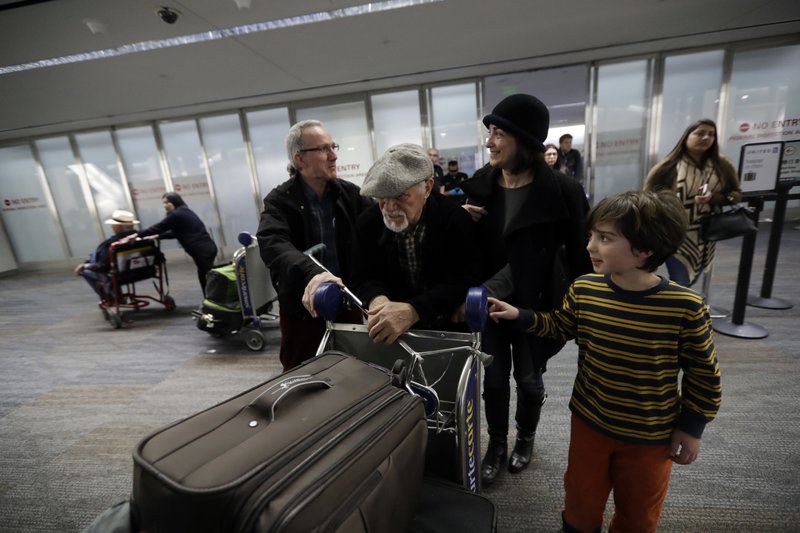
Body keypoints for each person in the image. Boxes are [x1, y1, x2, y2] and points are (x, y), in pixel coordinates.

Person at [487, 190, 722, 533]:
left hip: (649, 435)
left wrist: (692, 426)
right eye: (591, 236)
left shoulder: (684, 306)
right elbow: (560, 325)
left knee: (638, 514)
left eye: (605, 238)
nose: (590, 247)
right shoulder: (585, 289)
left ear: (644, 249)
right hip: (590, 422)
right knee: (580, 503)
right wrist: (520, 315)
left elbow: (704, 373)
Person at [459, 94, 592, 485]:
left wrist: (585, 315)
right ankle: (497, 444)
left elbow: (581, 261)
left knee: (530, 381)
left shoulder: (563, 192)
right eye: (489, 133)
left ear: (523, 138)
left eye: (498, 133)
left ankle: (526, 439)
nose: (489, 142)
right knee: (495, 381)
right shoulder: (482, 186)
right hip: (489, 305)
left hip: (539, 306)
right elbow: (469, 251)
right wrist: (460, 219)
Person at [257, 120, 373, 371]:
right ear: (300, 159)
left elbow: (382, 222)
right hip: (302, 309)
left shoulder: (350, 194)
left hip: (347, 303)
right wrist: (315, 275)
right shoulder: (279, 200)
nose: (334, 156)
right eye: (323, 149)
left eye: (333, 147)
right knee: (301, 376)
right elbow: (273, 244)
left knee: (357, 371)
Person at [345, 143, 480, 344]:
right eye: (382, 196)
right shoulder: (368, 222)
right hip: (393, 335)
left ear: (427, 188)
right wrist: (377, 299)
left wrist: (415, 310)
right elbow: (360, 276)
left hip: (448, 330)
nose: (389, 207)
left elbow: (464, 279)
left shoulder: (454, 219)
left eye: (401, 196)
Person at [644, 118, 742, 287]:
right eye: (700, 133)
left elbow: (736, 194)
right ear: (686, 137)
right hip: (674, 232)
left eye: (711, 134)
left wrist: (714, 198)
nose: (706, 138)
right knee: (681, 279)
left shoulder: (722, 165)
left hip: (707, 232)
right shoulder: (667, 166)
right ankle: (676, 310)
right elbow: (647, 198)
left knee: (692, 278)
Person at [124, 192, 217, 295]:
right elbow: (177, 232)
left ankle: (213, 300)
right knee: (205, 275)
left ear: (174, 202)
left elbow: (158, 227)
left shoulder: (175, 214)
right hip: (207, 247)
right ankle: (210, 298)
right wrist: (158, 236)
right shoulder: (185, 211)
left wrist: (137, 235)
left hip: (201, 250)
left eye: (167, 202)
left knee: (207, 276)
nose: (165, 205)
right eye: (163, 203)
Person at [75, 209, 139, 303]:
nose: (112, 227)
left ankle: (110, 297)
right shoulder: (139, 238)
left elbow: (103, 266)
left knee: (85, 271)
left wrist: (85, 266)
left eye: (113, 225)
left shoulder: (113, 244)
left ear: (119, 227)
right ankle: (116, 295)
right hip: (141, 271)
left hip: (119, 274)